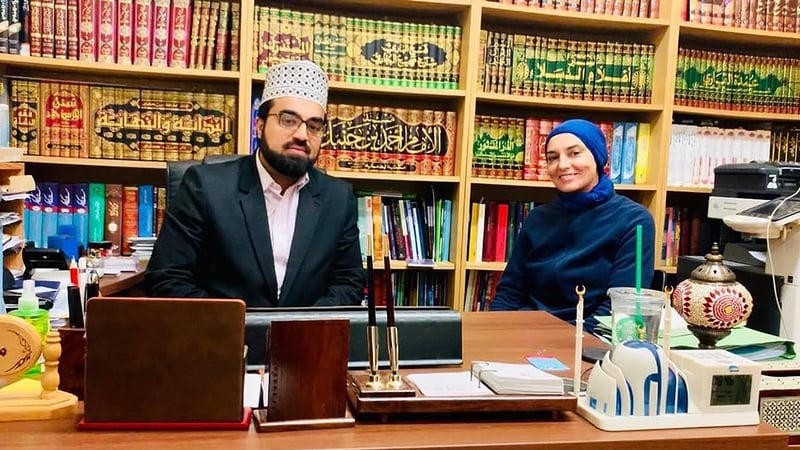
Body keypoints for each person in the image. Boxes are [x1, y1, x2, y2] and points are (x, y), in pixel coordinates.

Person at [145, 60, 365, 307]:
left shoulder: (338, 198)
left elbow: (349, 283)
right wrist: (235, 327)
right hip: (222, 341)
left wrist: (303, 331)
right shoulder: (205, 187)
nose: (302, 135)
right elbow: (167, 279)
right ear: (259, 126)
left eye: (314, 126)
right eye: (288, 120)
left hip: (307, 341)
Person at [490, 119, 655, 331]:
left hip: (586, 340)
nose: (563, 165)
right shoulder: (537, 218)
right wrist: (493, 332)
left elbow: (620, 307)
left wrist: (569, 343)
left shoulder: (634, 221)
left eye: (574, 153)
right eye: (553, 158)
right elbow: (509, 293)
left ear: (597, 157)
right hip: (525, 333)